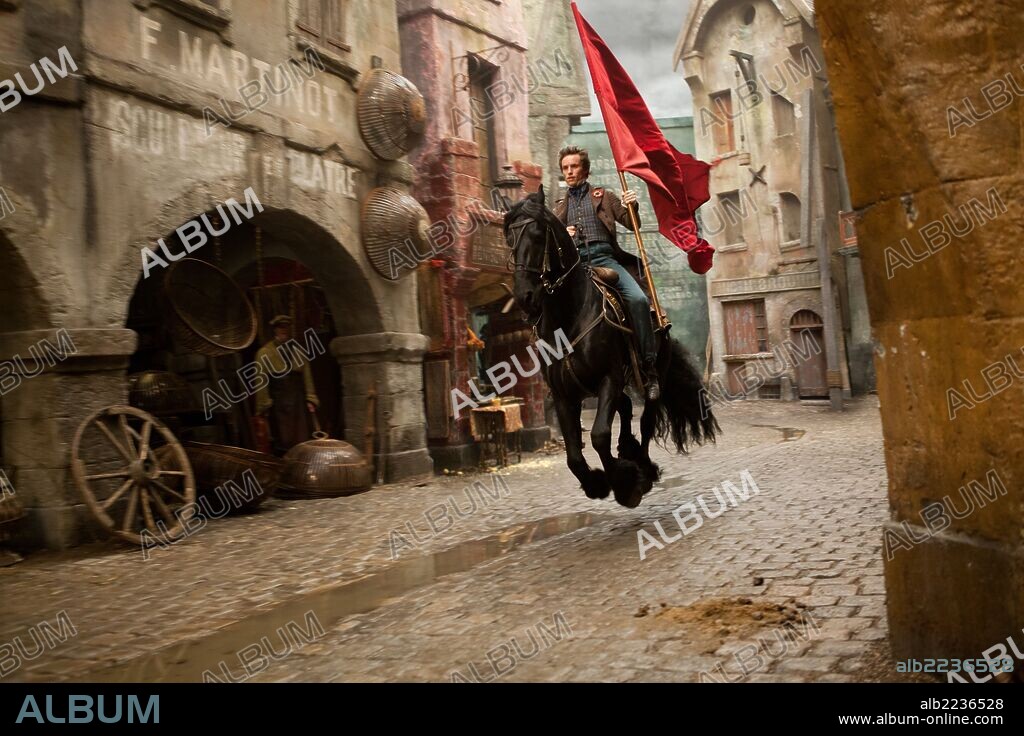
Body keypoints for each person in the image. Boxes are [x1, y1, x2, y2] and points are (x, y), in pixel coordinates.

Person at [553, 145, 660, 401]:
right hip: (575, 267)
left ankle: (649, 370)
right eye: (565, 168)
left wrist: (632, 206)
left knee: (638, 300)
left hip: (606, 261)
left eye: (574, 166)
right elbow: (553, 248)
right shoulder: (558, 208)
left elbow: (632, 224)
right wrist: (562, 239)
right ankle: (556, 375)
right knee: (550, 307)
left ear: (585, 170)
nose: (569, 171)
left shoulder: (605, 196)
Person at [254, 315, 320, 454]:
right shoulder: (264, 353)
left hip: (297, 402)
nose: (283, 331)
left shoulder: (298, 352)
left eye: (286, 327)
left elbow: (307, 377)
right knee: (282, 441)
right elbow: (261, 380)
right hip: (278, 403)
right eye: (280, 328)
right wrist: (263, 406)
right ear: (275, 330)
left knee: (301, 438)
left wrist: (310, 398)